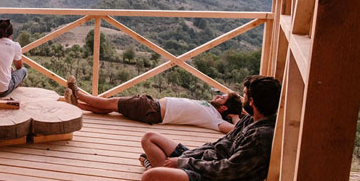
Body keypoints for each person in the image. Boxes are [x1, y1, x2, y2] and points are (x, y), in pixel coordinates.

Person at [138, 75, 281, 181]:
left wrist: (183, 162)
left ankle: (158, 170)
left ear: (252, 102)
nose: (242, 99)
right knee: (149, 137)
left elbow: (227, 170)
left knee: (149, 177)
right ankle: (166, 175)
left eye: (244, 95)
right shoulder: (250, 119)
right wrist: (187, 157)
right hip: (207, 161)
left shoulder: (261, 136)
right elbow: (218, 144)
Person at [63, 76, 242, 133]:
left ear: (224, 108)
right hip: (151, 106)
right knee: (112, 108)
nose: (218, 96)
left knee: (111, 103)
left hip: (151, 109)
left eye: (222, 98)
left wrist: (236, 117)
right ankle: (78, 105)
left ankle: (78, 93)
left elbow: (235, 131)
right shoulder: (211, 110)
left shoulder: (214, 119)